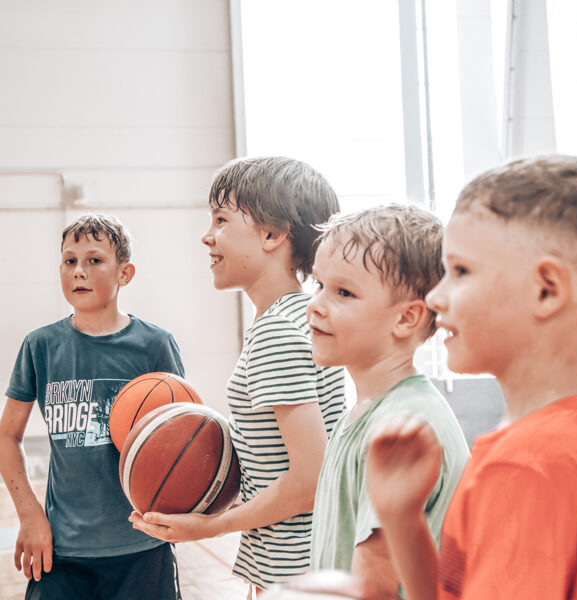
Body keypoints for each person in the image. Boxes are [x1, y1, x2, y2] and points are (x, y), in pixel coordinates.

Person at [366, 155, 577, 600]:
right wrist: (403, 519)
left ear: (546, 289)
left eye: (461, 271)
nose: (436, 297)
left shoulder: (525, 465)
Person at [130, 156, 347, 592]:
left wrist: (205, 527)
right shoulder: (303, 318)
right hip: (306, 562)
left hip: (296, 572)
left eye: (222, 220)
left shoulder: (277, 334)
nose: (207, 236)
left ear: (272, 234)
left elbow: (307, 480)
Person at [0, 214, 185, 600]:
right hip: (61, 552)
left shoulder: (154, 345)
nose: (79, 271)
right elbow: (7, 436)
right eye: (69, 261)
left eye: (94, 260)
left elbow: (182, 437)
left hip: (142, 547)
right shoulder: (40, 346)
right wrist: (30, 515)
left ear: (125, 273)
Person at [307, 204, 470, 598]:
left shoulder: (401, 422)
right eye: (318, 285)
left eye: (344, 292)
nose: (316, 304)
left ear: (406, 319)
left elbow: (373, 582)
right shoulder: (373, 407)